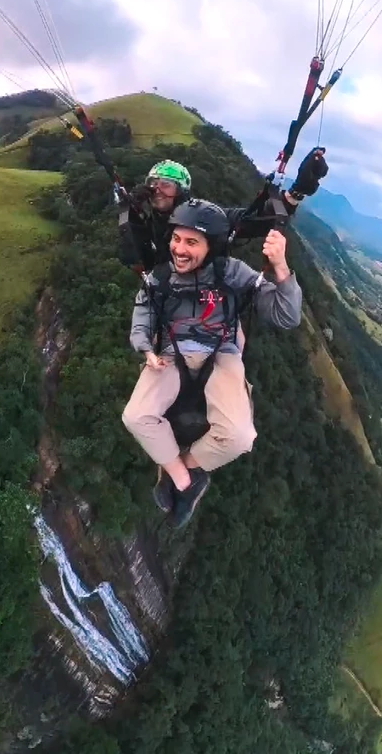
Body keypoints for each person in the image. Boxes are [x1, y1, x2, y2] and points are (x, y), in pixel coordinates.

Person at [120, 198, 304, 529]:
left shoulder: (231, 274)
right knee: (136, 416)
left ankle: (184, 468)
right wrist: (146, 348)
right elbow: (143, 313)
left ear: (212, 246)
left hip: (221, 353)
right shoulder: (161, 276)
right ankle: (183, 479)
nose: (179, 249)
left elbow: (287, 316)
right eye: (176, 238)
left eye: (191, 242)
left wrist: (280, 268)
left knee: (239, 436)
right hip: (172, 355)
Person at [118, 148, 330, 275]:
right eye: (152, 184)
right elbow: (133, 256)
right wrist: (129, 211)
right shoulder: (148, 223)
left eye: (165, 184)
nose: (156, 190)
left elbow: (254, 220)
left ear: (181, 191)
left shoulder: (206, 217)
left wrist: (295, 193)